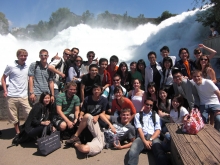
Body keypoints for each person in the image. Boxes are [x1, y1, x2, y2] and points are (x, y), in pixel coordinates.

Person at [65, 84, 108, 156]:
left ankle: (75, 140)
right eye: (94, 90)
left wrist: (97, 116)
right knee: (87, 115)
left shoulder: (104, 100)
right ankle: (75, 136)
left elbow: (103, 113)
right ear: (92, 91)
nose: (96, 91)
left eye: (98, 90)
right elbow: (83, 111)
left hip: (97, 122)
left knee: (87, 116)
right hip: (88, 119)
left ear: (101, 91)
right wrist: (81, 115)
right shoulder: (87, 99)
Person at [126, 98, 168, 165]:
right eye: (147, 104)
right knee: (133, 150)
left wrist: (151, 140)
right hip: (142, 137)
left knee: (159, 151)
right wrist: (145, 141)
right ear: (144, 104)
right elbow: (139, 129)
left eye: (151, 105)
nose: (148, 106)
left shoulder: (156, 116)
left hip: (153, 137)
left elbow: (158, 130)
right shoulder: (138, 115)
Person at [1, 49, 31, 135]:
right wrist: (5, 90)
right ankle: (18, 132)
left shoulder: (27, 67)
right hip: (11, 95)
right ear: (17, 56)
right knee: (14, 116)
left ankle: (26, 129)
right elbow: (3, 78)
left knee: (29, 113)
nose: (23, 57)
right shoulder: (10, 66)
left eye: (25, 56)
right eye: (21, 55)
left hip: (24, 95)